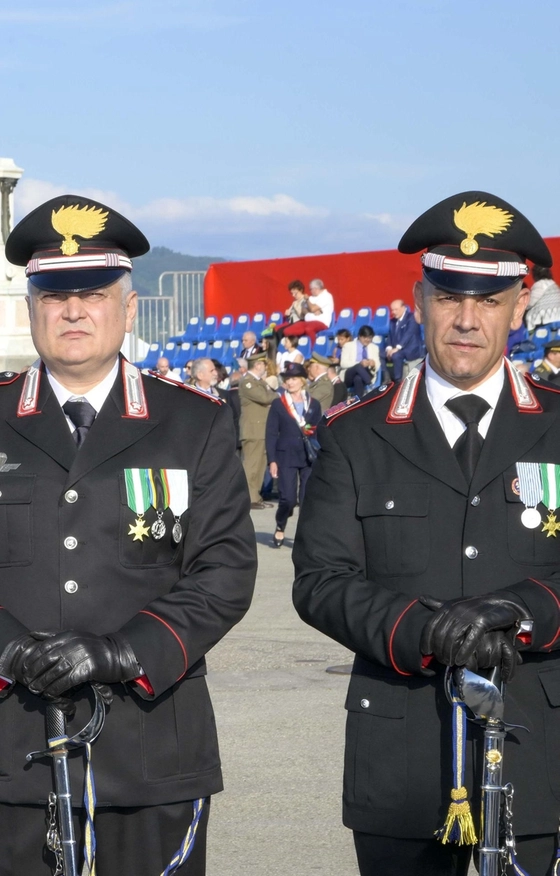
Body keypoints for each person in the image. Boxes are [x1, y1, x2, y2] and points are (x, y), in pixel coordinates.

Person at [0, 194, 255, 875]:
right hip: (11, 737)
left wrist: (125, 653)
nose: (71, 311)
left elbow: (225, 570)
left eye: (92, 294)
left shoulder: (193, 422)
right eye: (53, 295)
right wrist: (9, 652)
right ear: (30, 307)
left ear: (127, 307)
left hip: (152, 740)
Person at [292, 190, 560, 875]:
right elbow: (320, 580)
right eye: (449, 298)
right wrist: (422, 629)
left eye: (489, 301)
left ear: (519, 309)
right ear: (420, 300)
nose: (467, 320)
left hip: (538, 749)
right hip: (403, 751)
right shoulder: (357, 434)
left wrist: (525, 609)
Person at [266, 361, 320, 548]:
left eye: (294, 379)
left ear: (303, 380)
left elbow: (318, 431)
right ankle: (280, 525)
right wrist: (272, 460)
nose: (290, 382)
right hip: (285, 456)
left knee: (307, 499)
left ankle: (305, 536)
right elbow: (271, 433)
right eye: (287, 379)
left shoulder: (314, 404)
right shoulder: (278, 404)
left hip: (308, 457)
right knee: (288, 498)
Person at [238, 357, 277, 508]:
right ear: (257, 365)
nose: (265, 367)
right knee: (252, 465)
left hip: (261, 430)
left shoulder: (259, 381)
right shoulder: (247, 381)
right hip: (253, 430)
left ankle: (255, 495)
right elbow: (265, 397)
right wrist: (277, 396)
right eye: (263, 364)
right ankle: (249, 497)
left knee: (260, 465)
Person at [383, 297, 425, 383]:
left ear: (403, 308)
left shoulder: (411, 318)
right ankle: (386, 378)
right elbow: (390, 335)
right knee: (381, 354)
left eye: (396, 309)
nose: (393, 312)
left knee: (396, 356)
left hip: (410, 349)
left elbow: (408, 334)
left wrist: (397, 348)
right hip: (396, 349)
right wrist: (389, 348)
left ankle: (398, 381)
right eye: (392, 310)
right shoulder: (392, 321)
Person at [526, 264, 560, 330]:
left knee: (526, 314)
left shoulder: (540, 285)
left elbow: (530, 303)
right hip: (557, 315)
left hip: (544, 318)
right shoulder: (553, 284)